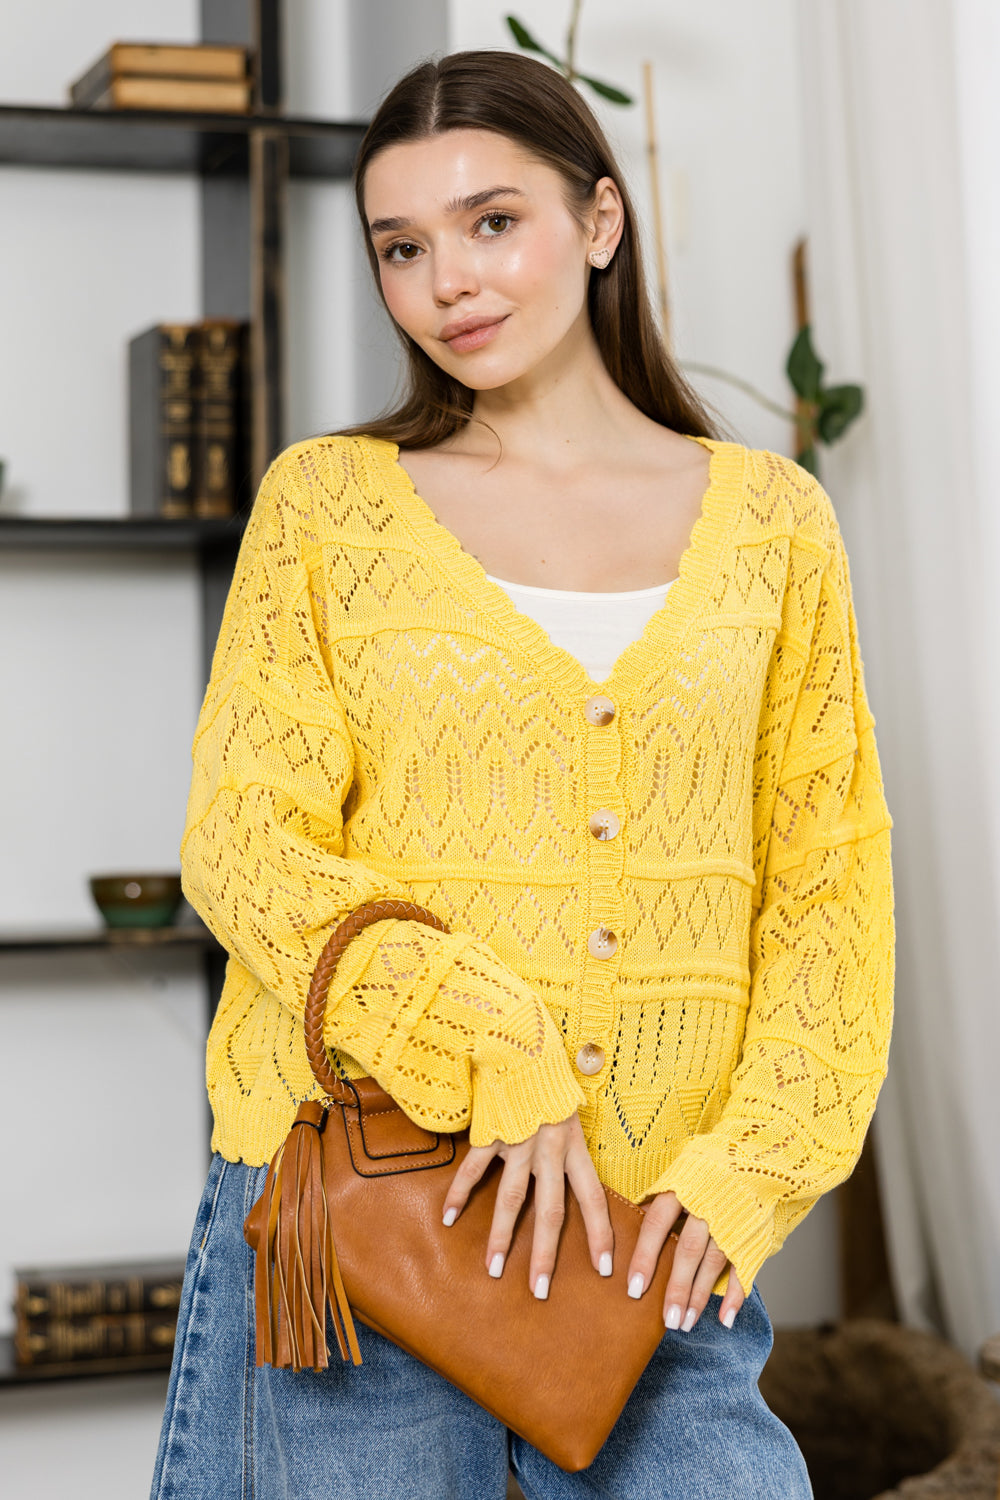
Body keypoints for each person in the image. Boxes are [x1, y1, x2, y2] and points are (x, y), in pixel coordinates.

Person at [151, 49, 894, 1500]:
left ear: (601, 222)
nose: (450, 282)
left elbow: (830, 895)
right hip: (358, 1223)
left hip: (654, 1243)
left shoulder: (775, 528)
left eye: (495, 222)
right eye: (404, 247)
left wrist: (749, 1176)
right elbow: (244, 840)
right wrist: (492, 1043)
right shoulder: (327, 510)